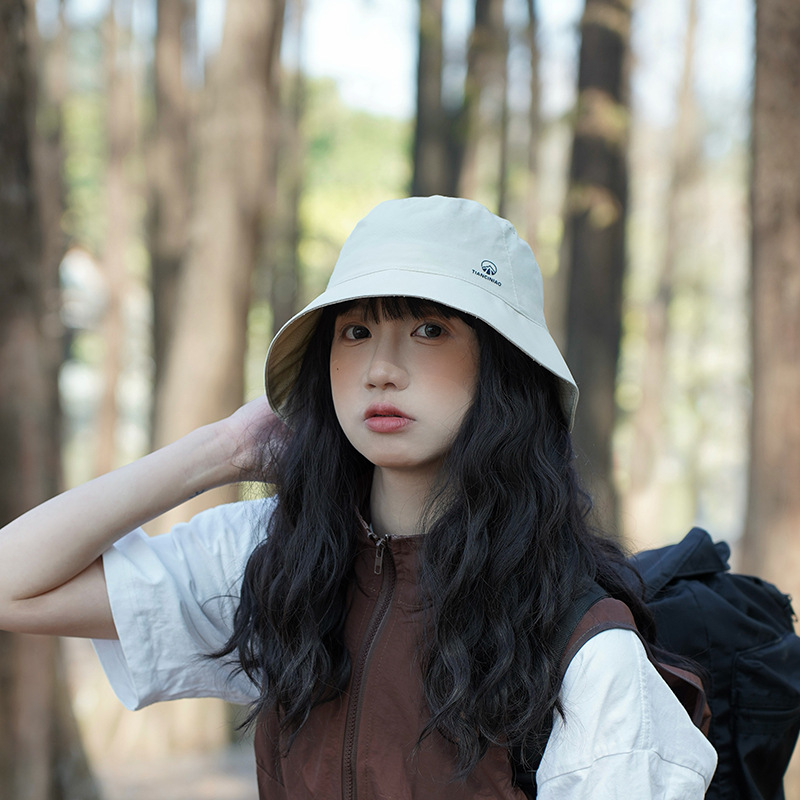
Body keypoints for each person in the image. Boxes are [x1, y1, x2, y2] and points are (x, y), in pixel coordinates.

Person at [0, 196, 716, 799]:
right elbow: (12, 584)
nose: (380, 368)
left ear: (503, 366)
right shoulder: (279, 562)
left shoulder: (582, 644)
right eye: (356, 329)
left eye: (429, 329)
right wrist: (222, 450)